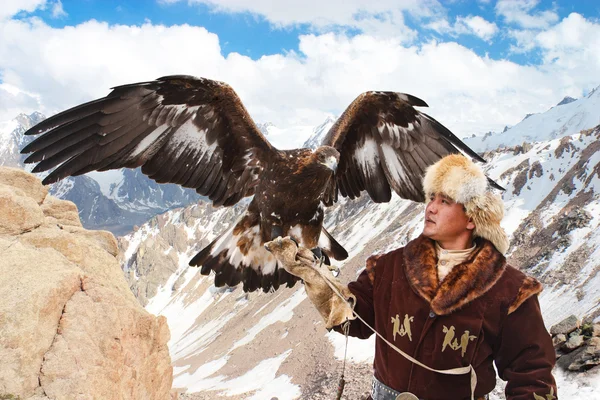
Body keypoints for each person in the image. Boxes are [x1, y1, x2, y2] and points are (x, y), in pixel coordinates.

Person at [265, 154, 557, 400]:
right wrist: (315, 277)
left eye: (445, 201)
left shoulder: (510, 290)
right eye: (431, 197)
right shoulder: (390, 266)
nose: (431, 207)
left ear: (471, 217)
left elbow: (532, 373)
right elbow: (354, 319)